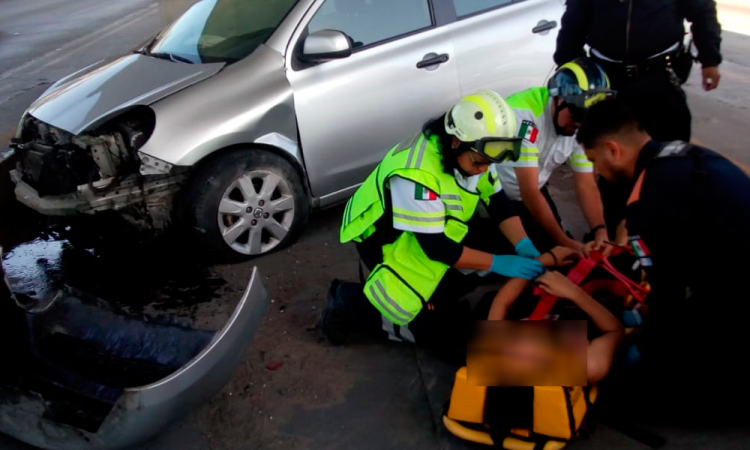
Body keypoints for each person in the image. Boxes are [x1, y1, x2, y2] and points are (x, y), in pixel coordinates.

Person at [321, 90, 544, 360]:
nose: (484, 169)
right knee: (450, 338)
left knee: (498, 246)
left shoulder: (478, 148)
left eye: (489, 163)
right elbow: (436, 248)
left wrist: (523, 245)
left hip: (433, 229)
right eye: (479, 163)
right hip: (386, 239)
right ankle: (348, 302)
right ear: (455, 142)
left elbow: (497, 201)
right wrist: (499, 263)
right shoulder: (418, 174)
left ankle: (441, 297)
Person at [576, 98, 750, 422]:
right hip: (729, 285)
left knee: (628, 393)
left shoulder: (649, 199)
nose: (597, 172)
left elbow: (667, 299)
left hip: (735, 305)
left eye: (594, 161)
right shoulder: (683, 155)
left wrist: (638, 345)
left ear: (613, 149)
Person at [554, 0, 723, 239]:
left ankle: (665, 237)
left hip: (659, 78)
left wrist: (710, 59)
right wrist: (568, 74)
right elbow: (573, 24)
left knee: (671, 160)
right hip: (609, 82)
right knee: (612, 164)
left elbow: (702, 10)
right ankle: (618, 241)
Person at [494, 57, 614, 255]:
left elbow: (586, 184)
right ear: (558, 99)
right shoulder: (525, 117)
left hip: (534, 189)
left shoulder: (579, 125)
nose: (579, 125)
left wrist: (600, 230)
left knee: (561, 251)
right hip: (498, 197)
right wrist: (564, 242)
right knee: (538, 257)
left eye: (587, 119)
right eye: (576, 116)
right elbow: (529, 191)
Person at [473, 246, 623, 385]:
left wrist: (544, 260)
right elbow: (615, 330)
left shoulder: (495, 354)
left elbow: (502, 301)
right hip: (592, 305)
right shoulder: (590, 366)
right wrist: (574, 293)